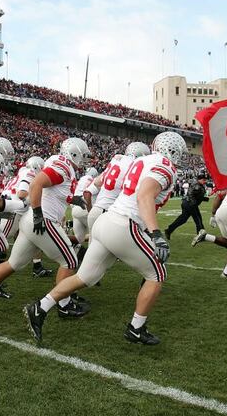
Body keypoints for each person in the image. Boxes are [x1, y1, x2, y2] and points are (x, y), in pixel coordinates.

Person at [24, 132, 186, 345]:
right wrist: (156, 234)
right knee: (157, 274)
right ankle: (136, 328)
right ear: (172, 150)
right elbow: (144, 195)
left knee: (85, 277)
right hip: (123, 224)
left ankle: (40, 308)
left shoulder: (142, 160)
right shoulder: (165, 166)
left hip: (105, 220)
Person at [0, 138, 91, 317]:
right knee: (70, 261)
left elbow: (56, 192)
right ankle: (64, 305)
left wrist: (72, 199)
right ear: (73, 153)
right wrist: (38, 213)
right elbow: (37, 184)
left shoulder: (63, 165)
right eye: (82, 155)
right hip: (44, 220)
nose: (84, 159)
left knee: (14, 263)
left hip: (30, 221)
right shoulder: (64, 165)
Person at [165, 174, 208, 240]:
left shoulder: (198, 185)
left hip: (188, 203)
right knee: (197, 219)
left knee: (183, 219)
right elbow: (190, 194)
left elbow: (197, 196)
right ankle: (201, 236)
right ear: (199, 179)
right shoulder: (196, 185)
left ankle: (169, 230)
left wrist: (205, 199)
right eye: (204, 180)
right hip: (190, 204)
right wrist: (193, 204)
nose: (205, 181)